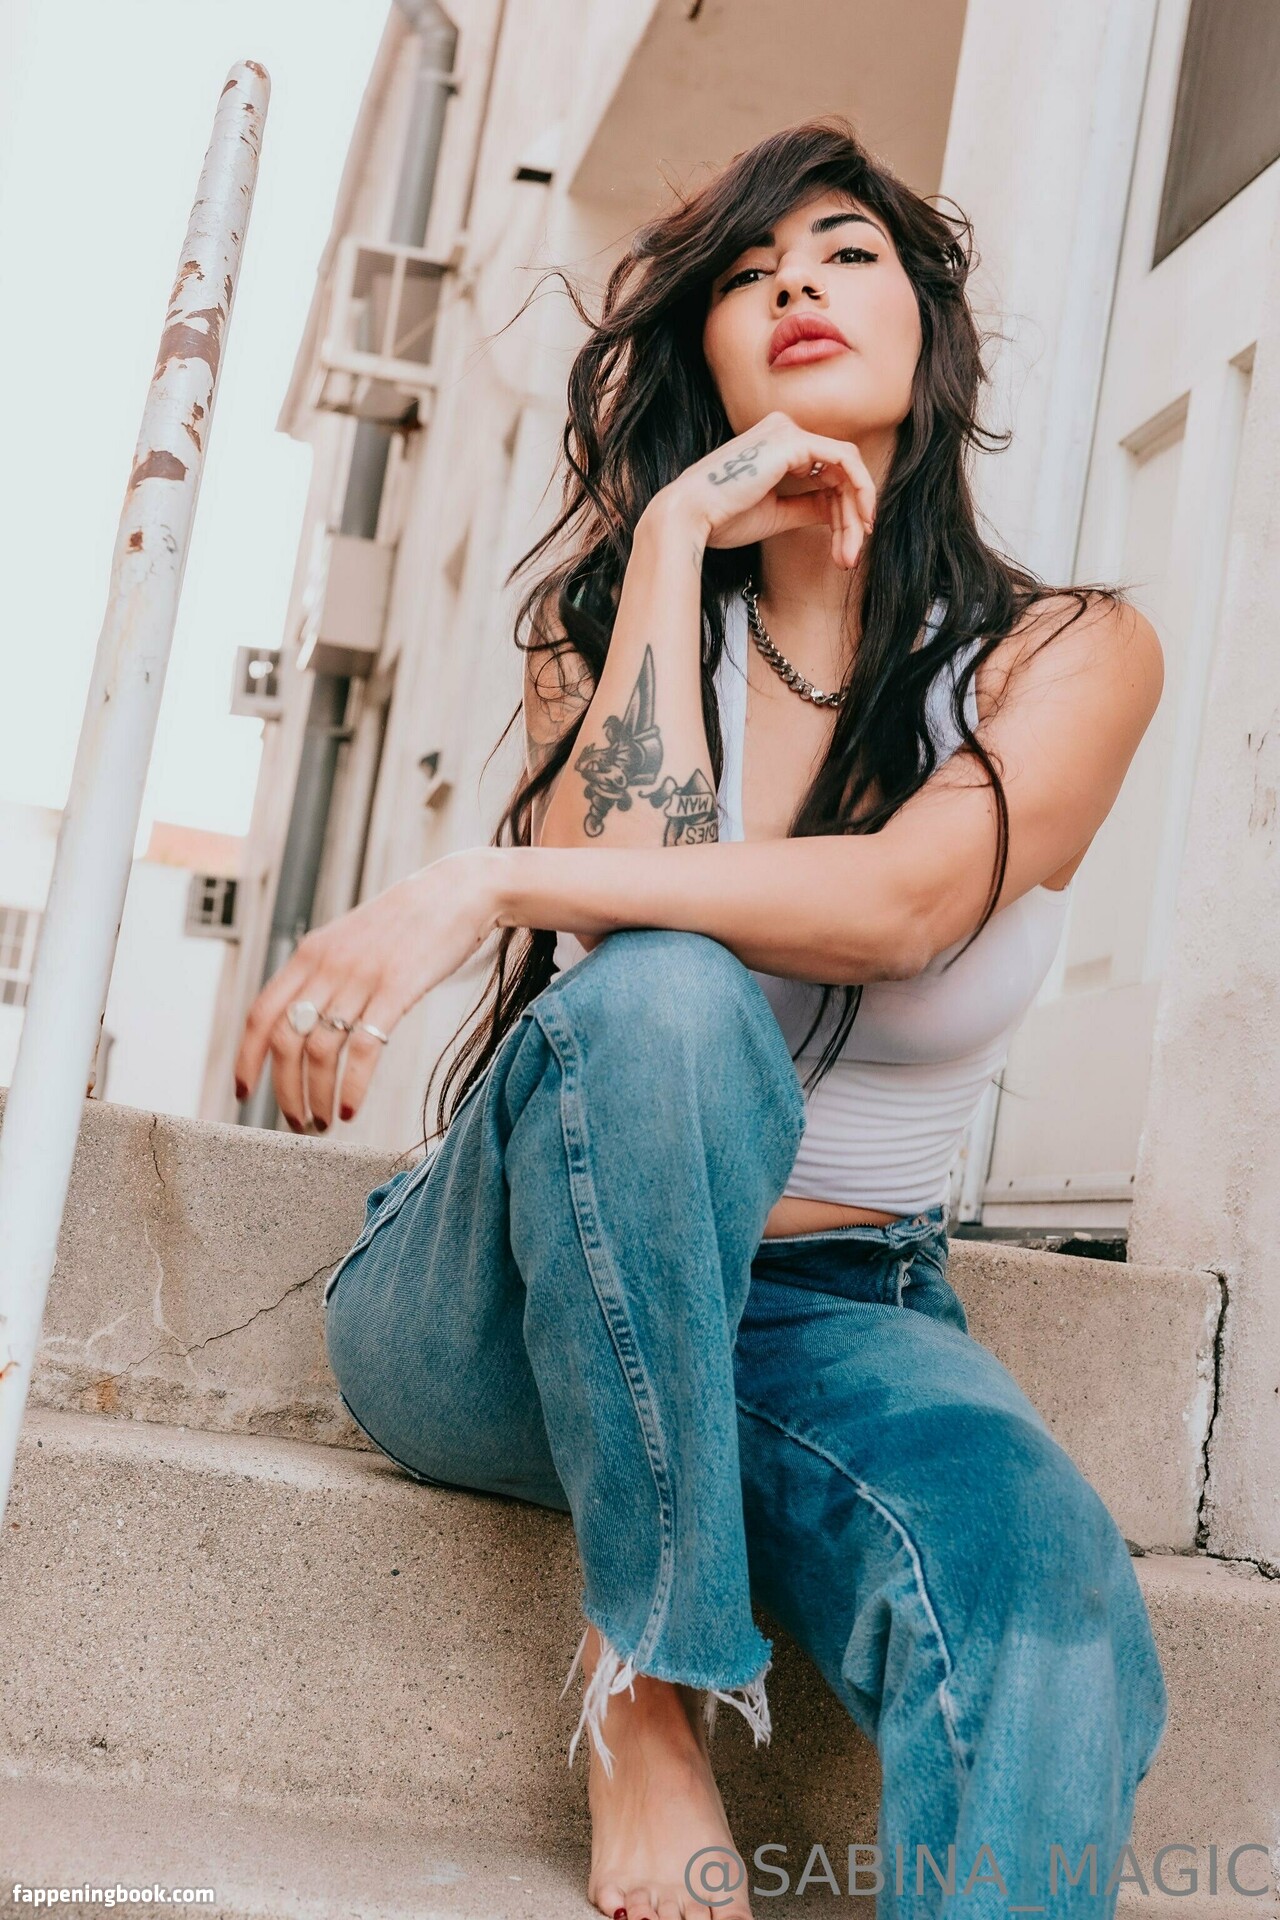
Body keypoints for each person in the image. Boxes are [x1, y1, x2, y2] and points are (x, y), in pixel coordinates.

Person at [234, 119, 1169, 1920]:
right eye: (749, 275)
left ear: (930, 325)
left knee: (1049, 1591)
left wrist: (485, 881)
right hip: (509, 1298)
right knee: (668, 997)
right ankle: (647, 1684)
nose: (797, 283)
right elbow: (636, 902)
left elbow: (906, 902)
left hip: (833, 1309)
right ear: (709, 364)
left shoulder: (1062, 655)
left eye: (845, 253)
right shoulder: (606, 628)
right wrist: (669, 535)